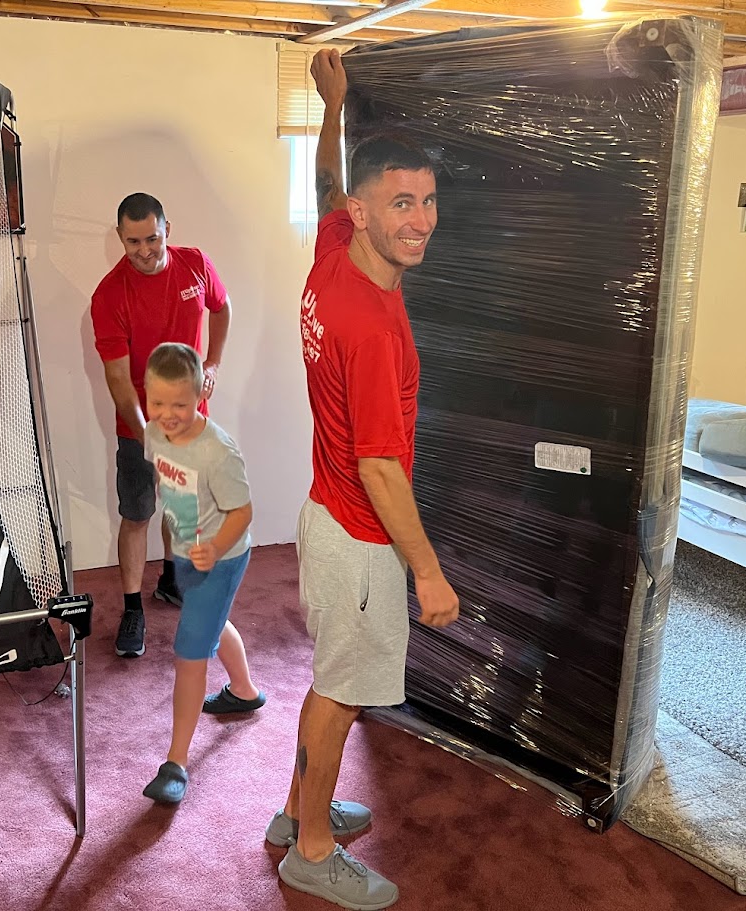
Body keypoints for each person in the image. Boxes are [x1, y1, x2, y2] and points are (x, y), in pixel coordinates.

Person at [271, 49, 461, 910]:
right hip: (359, 531)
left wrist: (333, 102)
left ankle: (291, 813)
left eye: (425, 200)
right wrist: (424, 569)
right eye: (401, 204)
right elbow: (379, 466)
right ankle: (311, 851)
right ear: (366, 210)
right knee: (340, 693)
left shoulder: (335, 248)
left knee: (328, 679)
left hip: (323, 513)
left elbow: (320, 180)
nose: (420, 220)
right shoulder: (372, 328)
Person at [90, 193, 232, 659]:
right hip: (140, 427)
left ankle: (172, 580)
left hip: (192, 423)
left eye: (152, 238)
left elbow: (222, 306)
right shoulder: (109, 295)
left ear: (168, 227)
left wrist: (213, 362)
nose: (145, 250)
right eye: (133, 242)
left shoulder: (195, 265)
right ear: (119, 239)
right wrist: (149, 438)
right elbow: (118, 380)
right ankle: (133, 609)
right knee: (137, 515)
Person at [139, 342, 263, 804]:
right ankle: (245, 691)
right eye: (158, 403)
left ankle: (176, 763)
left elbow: (244, 511)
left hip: (223, 558)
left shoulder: (218, 452)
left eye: (180, 404)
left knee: (190, 653)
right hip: (189, 554)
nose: (168, 414)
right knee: (208, 621)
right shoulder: (153, 433)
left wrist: (213, 547)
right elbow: (165, 482)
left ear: (199, 397)